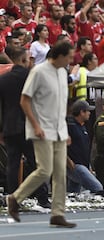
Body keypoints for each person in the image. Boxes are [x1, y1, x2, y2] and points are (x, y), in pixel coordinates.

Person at [6, 41, 77, 228]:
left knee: (60, 172)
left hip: (59, 130)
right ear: (59, 55)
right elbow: (25, 100)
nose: (71, 60)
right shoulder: (38, 72)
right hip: (42, 129)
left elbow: (61, 105)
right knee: (44, 169)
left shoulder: (63, 73)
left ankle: (57, 213)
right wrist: (35, 125)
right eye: (69, 56)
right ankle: (15, 198)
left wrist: (65, 130)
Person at [0, 46, 50, 208]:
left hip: (10, 127)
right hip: (30, 126)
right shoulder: (33, 77)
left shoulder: (3, 79)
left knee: (12, 164)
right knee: (37, 163)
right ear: (23, 60)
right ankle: (43, 198)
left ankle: (14, 198)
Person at [67, 100, 103, 193]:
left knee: (73, 193)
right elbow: (61, 145)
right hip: (76, 165)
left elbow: (84, 148)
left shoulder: (82, 126)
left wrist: (89, 165)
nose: (89, 113)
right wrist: (68, 161)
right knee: (97, 188)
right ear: (81, 112)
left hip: (83, 164)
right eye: (87, 111)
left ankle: (71, 206)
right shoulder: (69, 125)